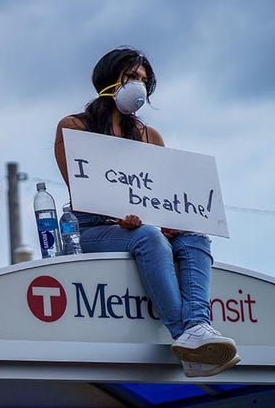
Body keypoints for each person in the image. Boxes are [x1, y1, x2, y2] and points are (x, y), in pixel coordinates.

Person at [53, 46, 239, 378]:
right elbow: (86, 191)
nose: (138, 84)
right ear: (110, 80)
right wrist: (123, 217)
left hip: (145, 225)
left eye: (143, 79)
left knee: (194, 235)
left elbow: (162, 195)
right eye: (130, 77)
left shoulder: (150, 136)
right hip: (93, 228)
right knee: (149, 236)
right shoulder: (74, 126)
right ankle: (185, 335)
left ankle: (198, 327)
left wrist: (172, 220)